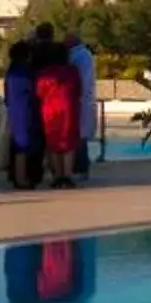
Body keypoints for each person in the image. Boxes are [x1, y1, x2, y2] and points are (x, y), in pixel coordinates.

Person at [31, 36, 80, 189]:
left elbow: (39, 92)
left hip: (50, 111)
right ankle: (67, 175)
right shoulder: (72, 72)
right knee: (68, 143)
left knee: (53, 144)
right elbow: (79, 90)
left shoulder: (45, 74)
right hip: (69, 109)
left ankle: (58, 176)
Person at [3, 40, 41, 189]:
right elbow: (33, 91)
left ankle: (18, 176)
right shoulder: (26, 72)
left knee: (18, 144)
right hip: (25, 109)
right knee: (23, 146)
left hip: (14, 110)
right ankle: (21, 178)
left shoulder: (11, 72)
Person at [65, 30, 99, 178]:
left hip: (80, 100)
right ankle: (80, 167)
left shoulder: (77, 56)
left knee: (79, 136)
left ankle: (80, 167)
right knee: (81, 135)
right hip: (84, 100)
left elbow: (81, 79)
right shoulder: (85, 55)